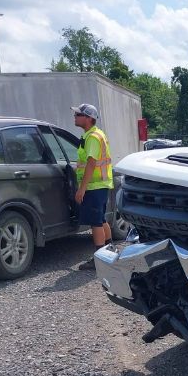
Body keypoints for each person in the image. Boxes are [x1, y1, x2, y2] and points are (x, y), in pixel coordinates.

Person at [71, 103, 113, 271]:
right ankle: (110, 253)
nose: (75, 117)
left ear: (88, 118)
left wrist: (82, 188)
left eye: (78, 114)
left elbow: (91, 163)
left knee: (95, 222)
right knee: (101, 219)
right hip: (100, 185)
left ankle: (100, 260)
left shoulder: (93, 137)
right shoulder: (94, 134)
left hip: (94, 186)